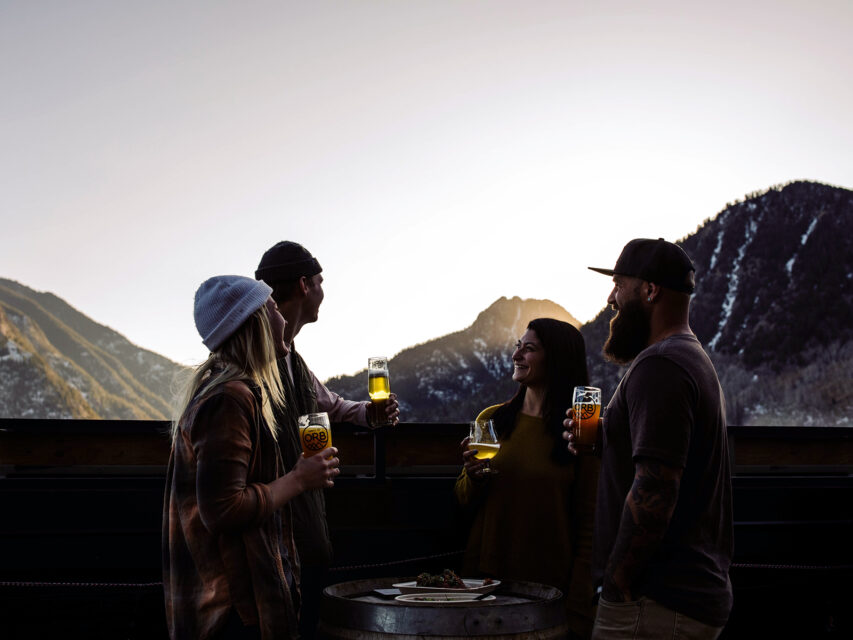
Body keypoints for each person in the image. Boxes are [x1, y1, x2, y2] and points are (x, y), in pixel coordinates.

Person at [565, 238, 733, 639]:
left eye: (619, 284)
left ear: (649, 290)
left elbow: (656, 488)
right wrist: (609, 438)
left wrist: (616, 585)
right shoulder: (688, 357)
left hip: (654, 604)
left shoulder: (660, 366)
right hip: (678, 599)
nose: (611, 297)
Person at [162, 275, 341, 640]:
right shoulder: (230, 399)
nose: (282, 319)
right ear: (255, 323)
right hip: (232, 607)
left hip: (239, 599)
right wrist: (299, 479)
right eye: (274, 308)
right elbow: (223, 509)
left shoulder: (235, 391)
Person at [255, 241, 400, 639]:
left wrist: (367, 414)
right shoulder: (254, 355)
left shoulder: (292, 358)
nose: (323, 290)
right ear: (304, 284)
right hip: (273, 547)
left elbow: (328, 404)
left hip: (302, 540)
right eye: (320, 281)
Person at [454, 318, 599, 639]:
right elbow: (464, 499)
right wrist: (473, 477)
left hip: (550, 591)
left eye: (529, 349)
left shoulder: (579, 433)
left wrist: (578, 601)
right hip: (487, 583)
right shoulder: (490, 420)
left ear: (557, 359)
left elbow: (590, 521)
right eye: (518, 346)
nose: (516, 355)